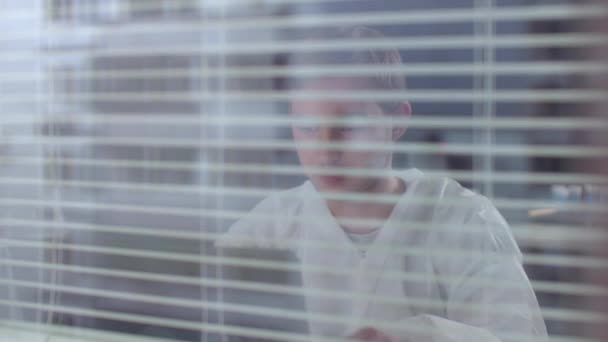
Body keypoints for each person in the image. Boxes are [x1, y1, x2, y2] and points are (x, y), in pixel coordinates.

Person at [216, 26, 547, 341]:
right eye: (307, 127)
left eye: (349, 126)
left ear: (398, 120)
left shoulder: (464, 219)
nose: (326, 149)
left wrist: (413, 337)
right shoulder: (270, 225)